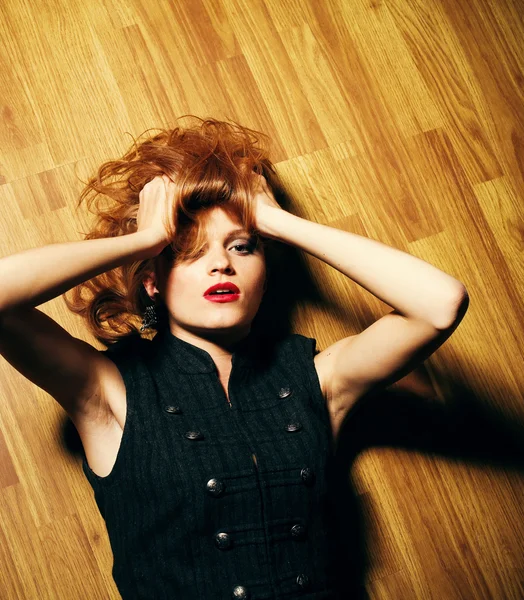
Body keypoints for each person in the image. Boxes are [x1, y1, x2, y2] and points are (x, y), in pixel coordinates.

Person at [0, 117, 469, 599]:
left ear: (265, 271)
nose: (221, 263)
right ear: (152, 281)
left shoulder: (317, 378)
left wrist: (278, 222)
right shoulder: (109, 392)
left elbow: (439, 305)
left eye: (242, 247)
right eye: (187, 251)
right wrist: (144, 240)